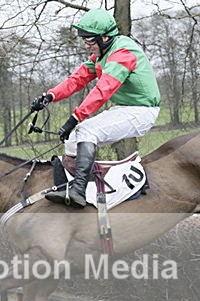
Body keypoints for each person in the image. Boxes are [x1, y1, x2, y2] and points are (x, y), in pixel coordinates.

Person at [30, 8, 161, 208]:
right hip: (126, 108)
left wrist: (74, 118)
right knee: (73, 138)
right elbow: (77, 79)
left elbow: (102, 91)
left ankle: (78, 191)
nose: (86, 46)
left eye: (90, 41)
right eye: (84, 41)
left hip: (142, 111)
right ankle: (74, 188)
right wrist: (50, 96)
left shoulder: (123, 54)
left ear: (105, 37)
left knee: (86, 131)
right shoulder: (102, 54)